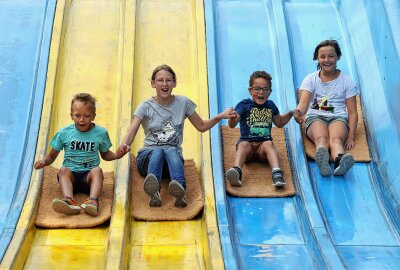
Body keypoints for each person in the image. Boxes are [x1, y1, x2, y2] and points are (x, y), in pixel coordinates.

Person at [117, 64, 235, 208]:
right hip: (147, 159)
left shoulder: (183, 103)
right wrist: (124, 145)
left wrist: (220, 116)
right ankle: (154, 192)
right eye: (160, 80)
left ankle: (179, 191)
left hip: (171, 163)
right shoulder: (145, 106)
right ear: (153, 84)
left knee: (172, 150)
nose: (165, 84)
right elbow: (132, 130)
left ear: (174, 83)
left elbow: (202, 126)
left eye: (169, 80)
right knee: (158, 151)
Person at [34, 93, 122, 216]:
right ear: (71, 116)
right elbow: (52, 156)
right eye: (77, 115)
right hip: (71, 179)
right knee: (63, 170)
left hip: (88, 179)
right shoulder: (64, 133)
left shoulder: (100, 133)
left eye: (87, 116)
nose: (82, 119)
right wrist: (43, 162)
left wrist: (116, 156)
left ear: (93, 116)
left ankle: (92, 201)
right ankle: (69, 200)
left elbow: (105, 154)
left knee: (97, 170)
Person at [293, 39, 358, 176]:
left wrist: (351, 136)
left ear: (338, 57)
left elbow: (352, 112)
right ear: (317, 58)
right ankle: (323, 161)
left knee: (336, 139)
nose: (327, 60)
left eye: (331, 56)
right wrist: (298, 113)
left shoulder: (347, 81)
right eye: (322, 56)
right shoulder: (311, 79)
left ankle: (340, 161)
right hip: (315, 116)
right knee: (322, 138)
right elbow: (304, 104)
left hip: (338, 117)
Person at [225, 70, 294, 187]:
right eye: (257, 89)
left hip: (263, 150)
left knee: (269, 143)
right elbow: (232, 124)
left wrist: (292, 113)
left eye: (265, 89)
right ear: (250, 90)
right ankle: (237, 171)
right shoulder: (244, 104)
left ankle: (277, 173)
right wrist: (232, 118)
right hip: (248, 148)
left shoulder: (270, 105)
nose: (261, 92)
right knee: (243, 144)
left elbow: (280, 122)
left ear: (270, 92)